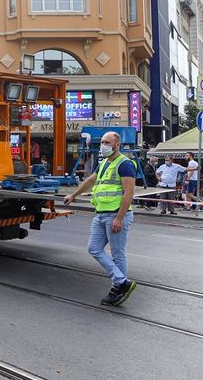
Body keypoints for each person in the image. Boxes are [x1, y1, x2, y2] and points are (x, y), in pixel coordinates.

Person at [64, 131, 137, 306]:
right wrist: (73, 195)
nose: (103, 145)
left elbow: (129, 194)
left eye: (107, 142)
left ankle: (117, 288)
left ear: (117, 144)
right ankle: (121, 281)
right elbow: (90, 181)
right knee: (94, 248)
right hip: (101, 213)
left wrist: (119, 218)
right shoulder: (104, 162)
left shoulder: (125, 164)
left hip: (116, 214)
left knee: (118, 254)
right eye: (102, 142)